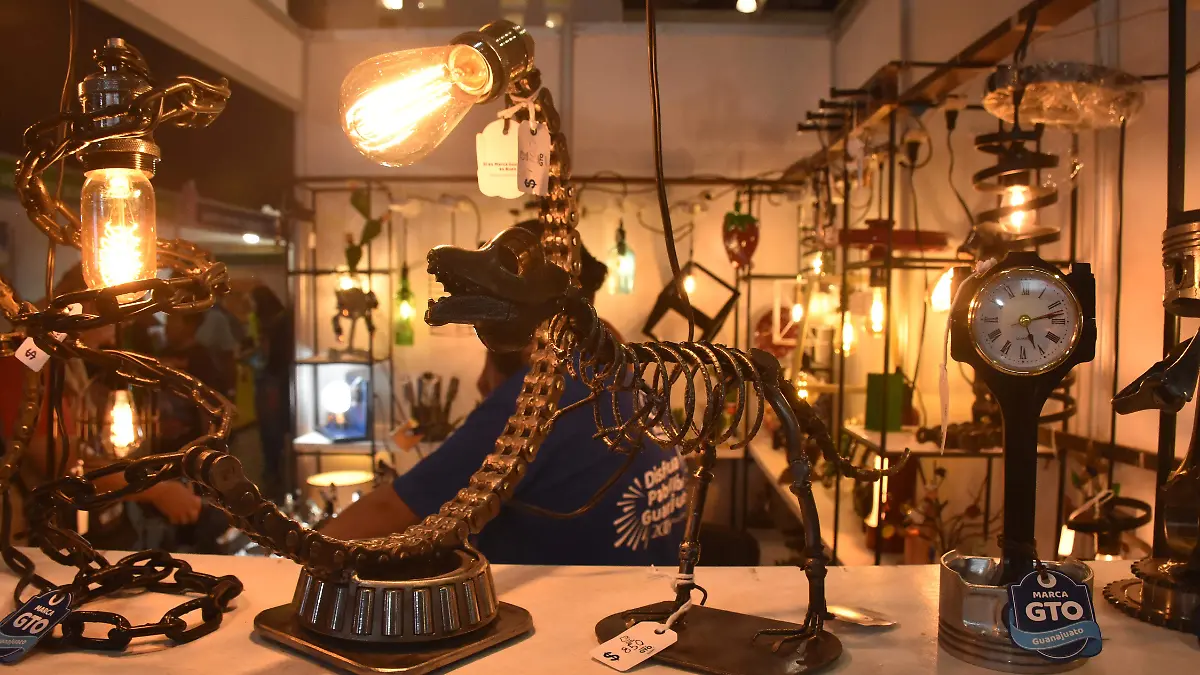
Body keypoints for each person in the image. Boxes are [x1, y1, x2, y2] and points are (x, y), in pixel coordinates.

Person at [322, 226, 691, 565]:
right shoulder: (618, 369)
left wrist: (298, 560)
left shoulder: (540, 398)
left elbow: (388, 512)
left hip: (576, 611)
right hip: (647, 595)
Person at [250, 285, 292, 499]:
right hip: (281, 377)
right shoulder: (283, 319)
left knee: (271, 431)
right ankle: (279, 475)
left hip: (273, 379)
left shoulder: (273, 323)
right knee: (278, 429)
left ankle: (273, 476)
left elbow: (267, 354)